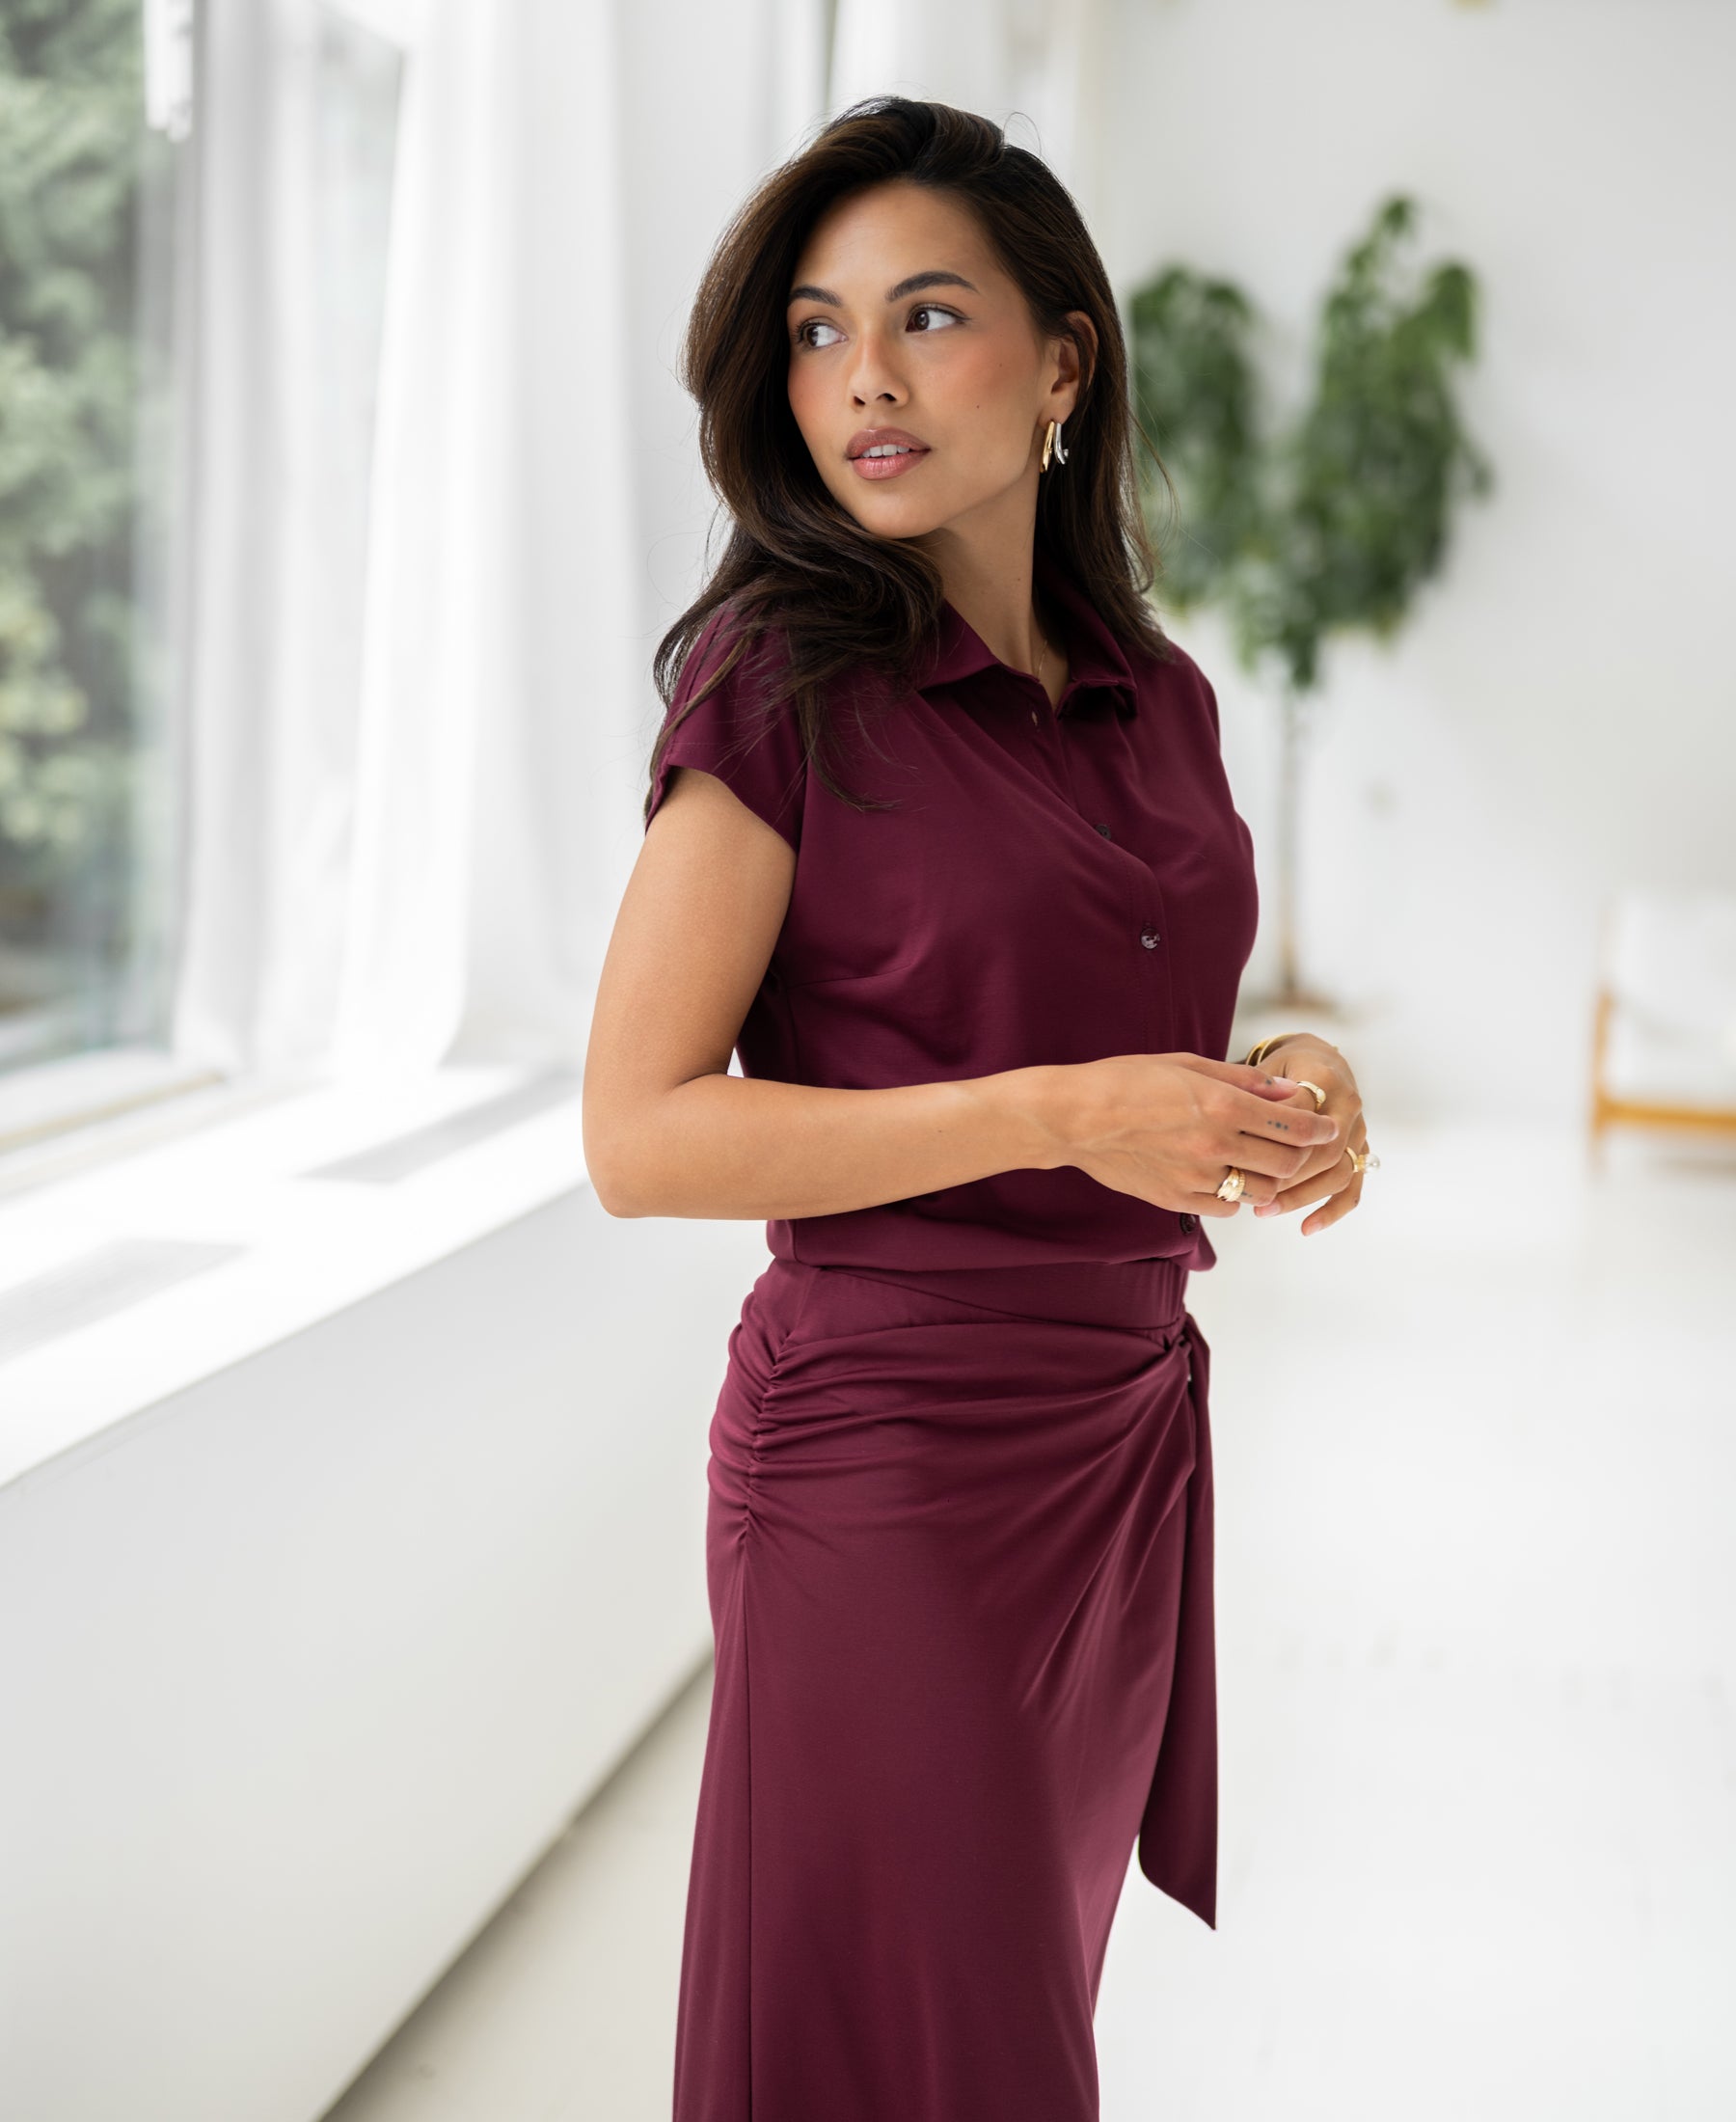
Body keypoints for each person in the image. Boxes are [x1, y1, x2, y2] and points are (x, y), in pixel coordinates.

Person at [583, 94, 1374, 2122]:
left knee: (1012, 2030)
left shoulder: (1159, 695)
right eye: (822, 332)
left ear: (1062, 360)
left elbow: (1132, 1006)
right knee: (930, 2057)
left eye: (927, 315)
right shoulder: (775, 686)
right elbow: (641, 1130)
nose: (864, 375)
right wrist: (1053, 1111)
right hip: (888, 1474)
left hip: (1110, 1466)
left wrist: (1286, 1075)